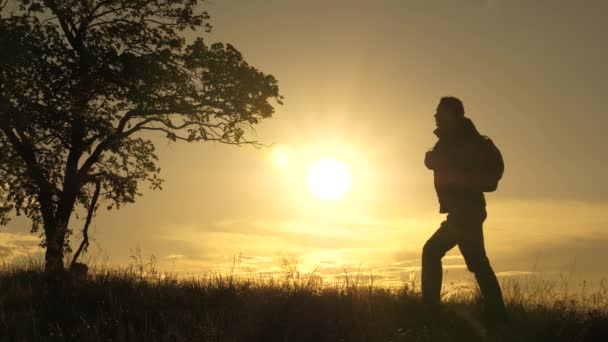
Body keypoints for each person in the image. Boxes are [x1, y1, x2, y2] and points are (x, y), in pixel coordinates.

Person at [422, 96, 507, 323]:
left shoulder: (460, 140)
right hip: (465, 211)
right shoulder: (463, 138)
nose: (435, 116)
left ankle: (430, 311)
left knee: (432, 252)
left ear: (451, 114)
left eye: (439, 112)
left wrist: (433, 158)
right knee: (478, 262)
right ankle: (498, 313)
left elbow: (437, 161)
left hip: (465, 212)